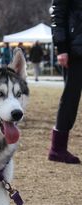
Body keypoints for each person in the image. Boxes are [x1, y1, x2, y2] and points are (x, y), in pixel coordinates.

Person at [48, 0, 82, 164]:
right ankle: (57, 149)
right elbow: (57, 14)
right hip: (75, 50)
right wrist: (61, 48)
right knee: (71, 98)